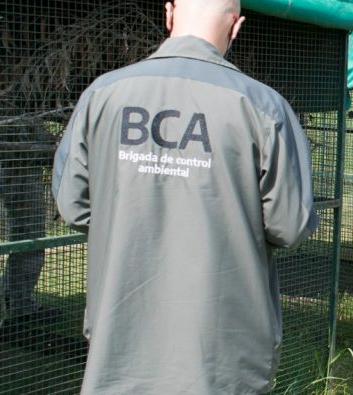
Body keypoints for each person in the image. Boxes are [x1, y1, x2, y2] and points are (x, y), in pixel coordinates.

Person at [51, 0, 318, 393]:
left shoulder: (103, 94)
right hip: (221, 352)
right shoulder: (263, 107)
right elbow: (290, 225)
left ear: (170, 13)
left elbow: (73, 204)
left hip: (121, 345)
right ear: (236, 26)